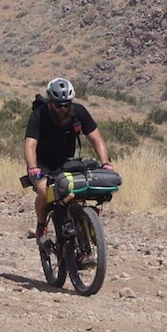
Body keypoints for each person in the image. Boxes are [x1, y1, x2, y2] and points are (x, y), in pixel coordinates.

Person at [24, 77, 111, 251]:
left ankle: (83, 240)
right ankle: (42, 226)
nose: (63, 108)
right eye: (58, 105)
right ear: (50, 102)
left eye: (66, 104)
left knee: (79, 192)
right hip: (42, 164)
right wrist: (33, 167)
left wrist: (105, 162)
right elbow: (30, 144)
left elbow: (96, 138)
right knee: (44, 191)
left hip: (66, 163)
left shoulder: (79, 112)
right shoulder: (39, 115)